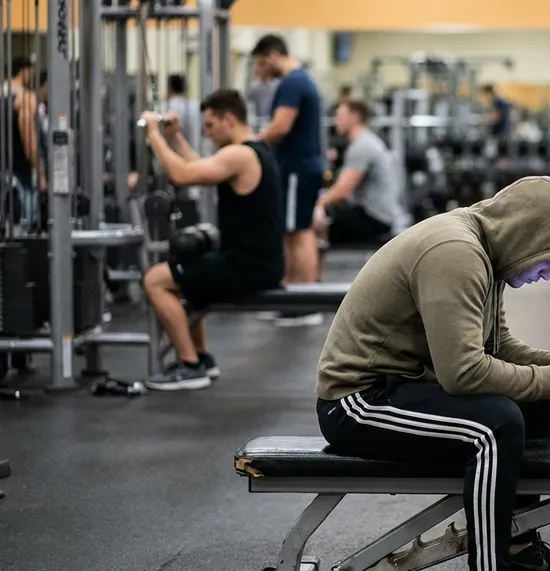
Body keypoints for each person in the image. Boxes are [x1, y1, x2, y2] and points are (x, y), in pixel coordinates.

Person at [317, 175, 550, 571]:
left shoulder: (490, 254)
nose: (548, 275)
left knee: (534, 400)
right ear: (525, 235)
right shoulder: (455, 253)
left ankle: (522, 551)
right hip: (356, 403)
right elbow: (462, 373)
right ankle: (493, 565)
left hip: (406, 387)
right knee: (496, 426)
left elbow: (498, 348)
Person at [140, 89, 285, 391]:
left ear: (228, 120)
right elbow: (203, 167)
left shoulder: (239, 154)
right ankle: (202, 358)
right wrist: (176, 137)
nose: (207, 133)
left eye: (210, 126)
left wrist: (153, 134)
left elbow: (183, 174)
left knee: (155, 279)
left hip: (248, 266)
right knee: (190, 273)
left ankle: (190, 366)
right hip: (258, 262)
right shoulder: (253, 149)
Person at [251, 34, 325, 327]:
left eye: (259, 63)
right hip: (297, 166)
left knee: (300, 232)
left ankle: (304, 304)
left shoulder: (292, 82)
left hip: (297, 167)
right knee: (291, 232)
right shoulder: (299, 79)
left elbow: (280, 127)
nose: (259, 71)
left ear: (271, 56)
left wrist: (250, 146)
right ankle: (290, 299)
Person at [314, 100, 408, 243]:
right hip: (372, 213)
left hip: (377, 218)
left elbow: (341, 193)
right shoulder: (365, 141)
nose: (335, 121)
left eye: (340, 116)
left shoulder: (362, 146)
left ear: (354, 117)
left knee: (308, 226)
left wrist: (316, 204)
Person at [1, 57, 46, 226]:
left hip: (5, 175)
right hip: (21, 178)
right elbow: (29, 139)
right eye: (31, 72)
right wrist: (40, 174)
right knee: (25, 229)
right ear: (23, 72)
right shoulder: (25, 98)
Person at [161, 74, 201, 150]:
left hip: (170, 155)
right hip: (195, 153)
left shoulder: (163, 107)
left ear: (169, 88)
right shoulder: (196, 106)